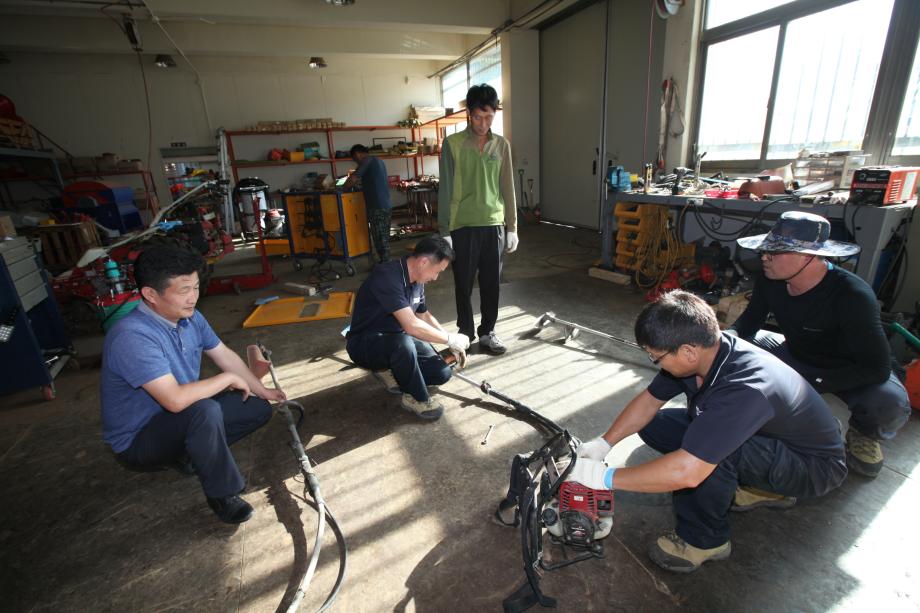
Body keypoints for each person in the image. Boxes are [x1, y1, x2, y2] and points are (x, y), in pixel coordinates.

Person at [569, 290, 846, 573]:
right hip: (772, 439)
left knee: (712, 454)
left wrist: (602, 478)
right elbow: (650, 401)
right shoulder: (704, 352)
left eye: (656, 357)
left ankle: (704, 540)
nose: (656, 362)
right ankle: (759, 486)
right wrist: (604, 443)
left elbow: (687, 472)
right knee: (657, 425)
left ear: (688, 352)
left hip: (812, 467)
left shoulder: (745, 388)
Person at [101, 246, 285, 524]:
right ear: (150, 294)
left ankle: (190, 454)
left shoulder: (190, 317)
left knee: (256, 407)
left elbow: (224, 355)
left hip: (180, 417)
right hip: (140, 439)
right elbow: (175, 400)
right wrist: (227, 379)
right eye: (184, 290)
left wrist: (263, 391)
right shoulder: (132, 336)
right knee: (204, 412)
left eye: (196, 287)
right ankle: (222, 494)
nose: (193, 297)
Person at [731, 211, 911, 478]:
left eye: (775, 252)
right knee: (733, 351)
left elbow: (877, 367)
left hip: (851, 368)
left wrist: (810, 385)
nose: (764, 258)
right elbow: (750, 322)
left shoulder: (852, 295)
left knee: (888, 402)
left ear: (808, 256)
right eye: (765, 251)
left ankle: (865, 434)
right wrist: (726, 337)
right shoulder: (770, 281)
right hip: (797, 353)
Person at [346, 236, 470, 421]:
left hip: (397, 339)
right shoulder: (387, 276)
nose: (435, 278)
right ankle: (416, 397)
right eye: (437, 271)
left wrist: (448, 339)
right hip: (365, 343)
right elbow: (411, 325)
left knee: (441, 373)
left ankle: (393, 370)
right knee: (402, 343)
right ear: (423, 262)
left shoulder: (417, 281)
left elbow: (424, 315)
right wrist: (450, 339)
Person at [438, 84, 518, 355]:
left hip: (493, 225)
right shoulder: (452, 144)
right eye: (478, 117)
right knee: (463, 283)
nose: (483, 124)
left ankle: (487, 332)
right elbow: (446, 188)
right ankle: (465, 332)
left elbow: (508, 188)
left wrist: (512, 226)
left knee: (491, 283)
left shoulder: (502, 145)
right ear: (469, 114)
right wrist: (445, 229)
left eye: (489, 117)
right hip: (462, 226)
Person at [343, 144, 393, 263]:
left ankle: (385, 264)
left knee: (379, 237)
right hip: (386, 204)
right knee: (384, 236)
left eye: (354, 159)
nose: (356, 162)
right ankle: (385, 261)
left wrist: (342, 188)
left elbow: (353, 178)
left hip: (377, 206)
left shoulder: (367, 161)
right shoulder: (378, 161)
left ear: (357, 154)